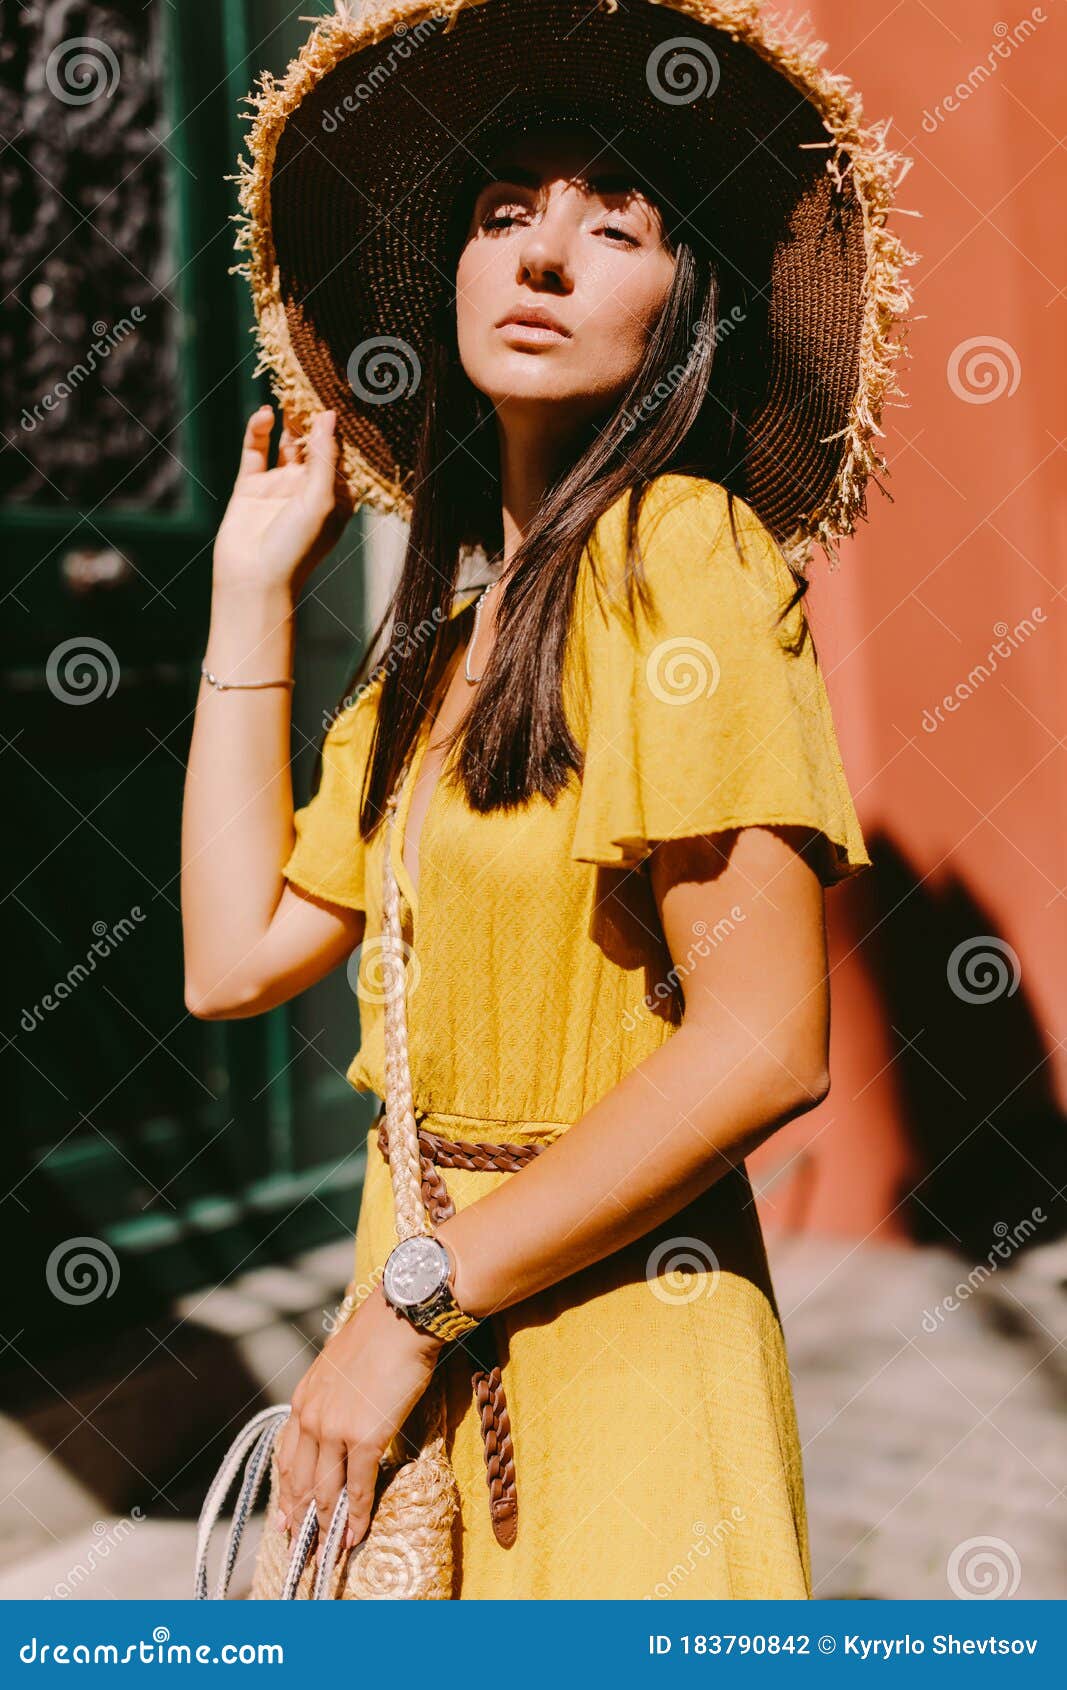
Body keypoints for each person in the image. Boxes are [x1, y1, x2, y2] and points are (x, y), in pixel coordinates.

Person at [183, 0, 914, 1599]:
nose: (542, 257)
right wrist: (249, 592)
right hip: (421, 1382)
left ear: (685, 306)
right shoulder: (434, 657)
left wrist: (404, 1303)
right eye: (505, 212)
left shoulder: (687, 559)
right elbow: (230, 957)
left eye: (614, 225)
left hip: (624, 1374)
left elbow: (763, 1037)